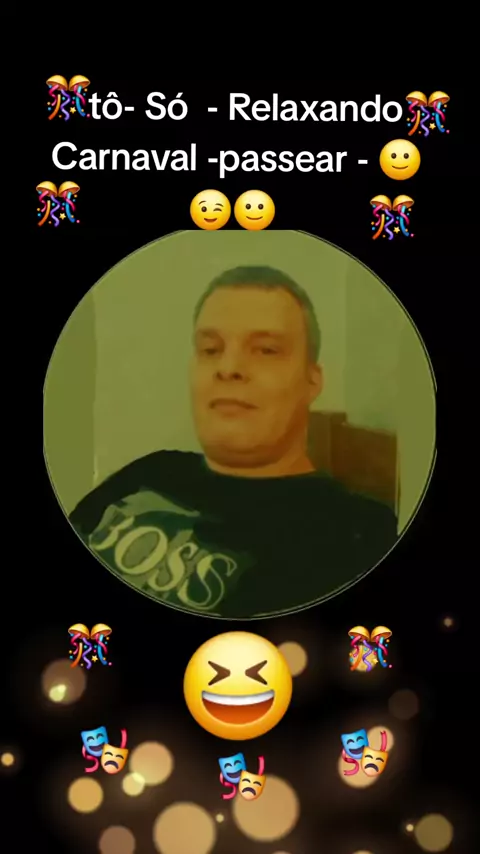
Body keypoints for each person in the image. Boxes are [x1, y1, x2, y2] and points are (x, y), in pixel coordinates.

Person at [70, 266, 398, 617]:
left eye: (266, 350)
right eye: (210, 349)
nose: (227, 367)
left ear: (311, 381)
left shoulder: (355, 536)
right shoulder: (150, 470)